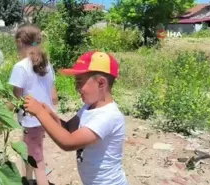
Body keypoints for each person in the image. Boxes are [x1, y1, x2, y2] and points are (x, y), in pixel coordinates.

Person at [24, 51, 129, 185]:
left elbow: (68, 142)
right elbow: (68, 129)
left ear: (101, 84)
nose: (76, 88)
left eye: (80, 82)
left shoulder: (108, 116)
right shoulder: (89, 107)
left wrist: (40, 113)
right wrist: (49, 114)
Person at [8, 24, 58, 185]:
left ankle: (37, 181)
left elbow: (16, 97)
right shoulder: (47, 64)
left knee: (38, 160)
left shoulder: (21, 67)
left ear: (19, 42)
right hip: (45, 118)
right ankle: (28, 180)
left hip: (30, 119)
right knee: (29, 150)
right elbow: (54, 97)